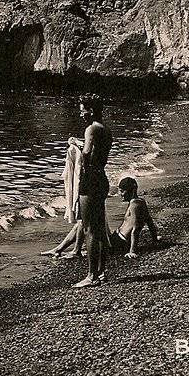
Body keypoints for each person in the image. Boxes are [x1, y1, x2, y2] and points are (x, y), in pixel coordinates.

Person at [72, 94, 113, 289]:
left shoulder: (91, 129)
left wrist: (76, 147)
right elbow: (97, 153)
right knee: (99, 228)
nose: (81, 114)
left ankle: (91, 275)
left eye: (82, 110)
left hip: (90, 179)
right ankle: (102, 272)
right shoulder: (106, 130)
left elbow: (87, 153)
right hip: (102, 177)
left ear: (91, 110)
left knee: (89, 228)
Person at [42, 138, 85, 258]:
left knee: (83, 220)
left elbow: (87, 152)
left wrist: (78, 145)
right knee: (83, 220)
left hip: (90, 185)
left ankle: (76, 250)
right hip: (95, 183)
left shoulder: (93, 132)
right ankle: (60, 249)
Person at [110, 176, 161, 258]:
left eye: (122, 191)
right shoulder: (141, 202)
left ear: (132, 191)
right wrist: (154, 239)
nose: (121, 194)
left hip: (120, 241)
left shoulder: (134, 205)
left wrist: (132, 251)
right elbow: (149, 222)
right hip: (120, 239)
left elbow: (135, 228)